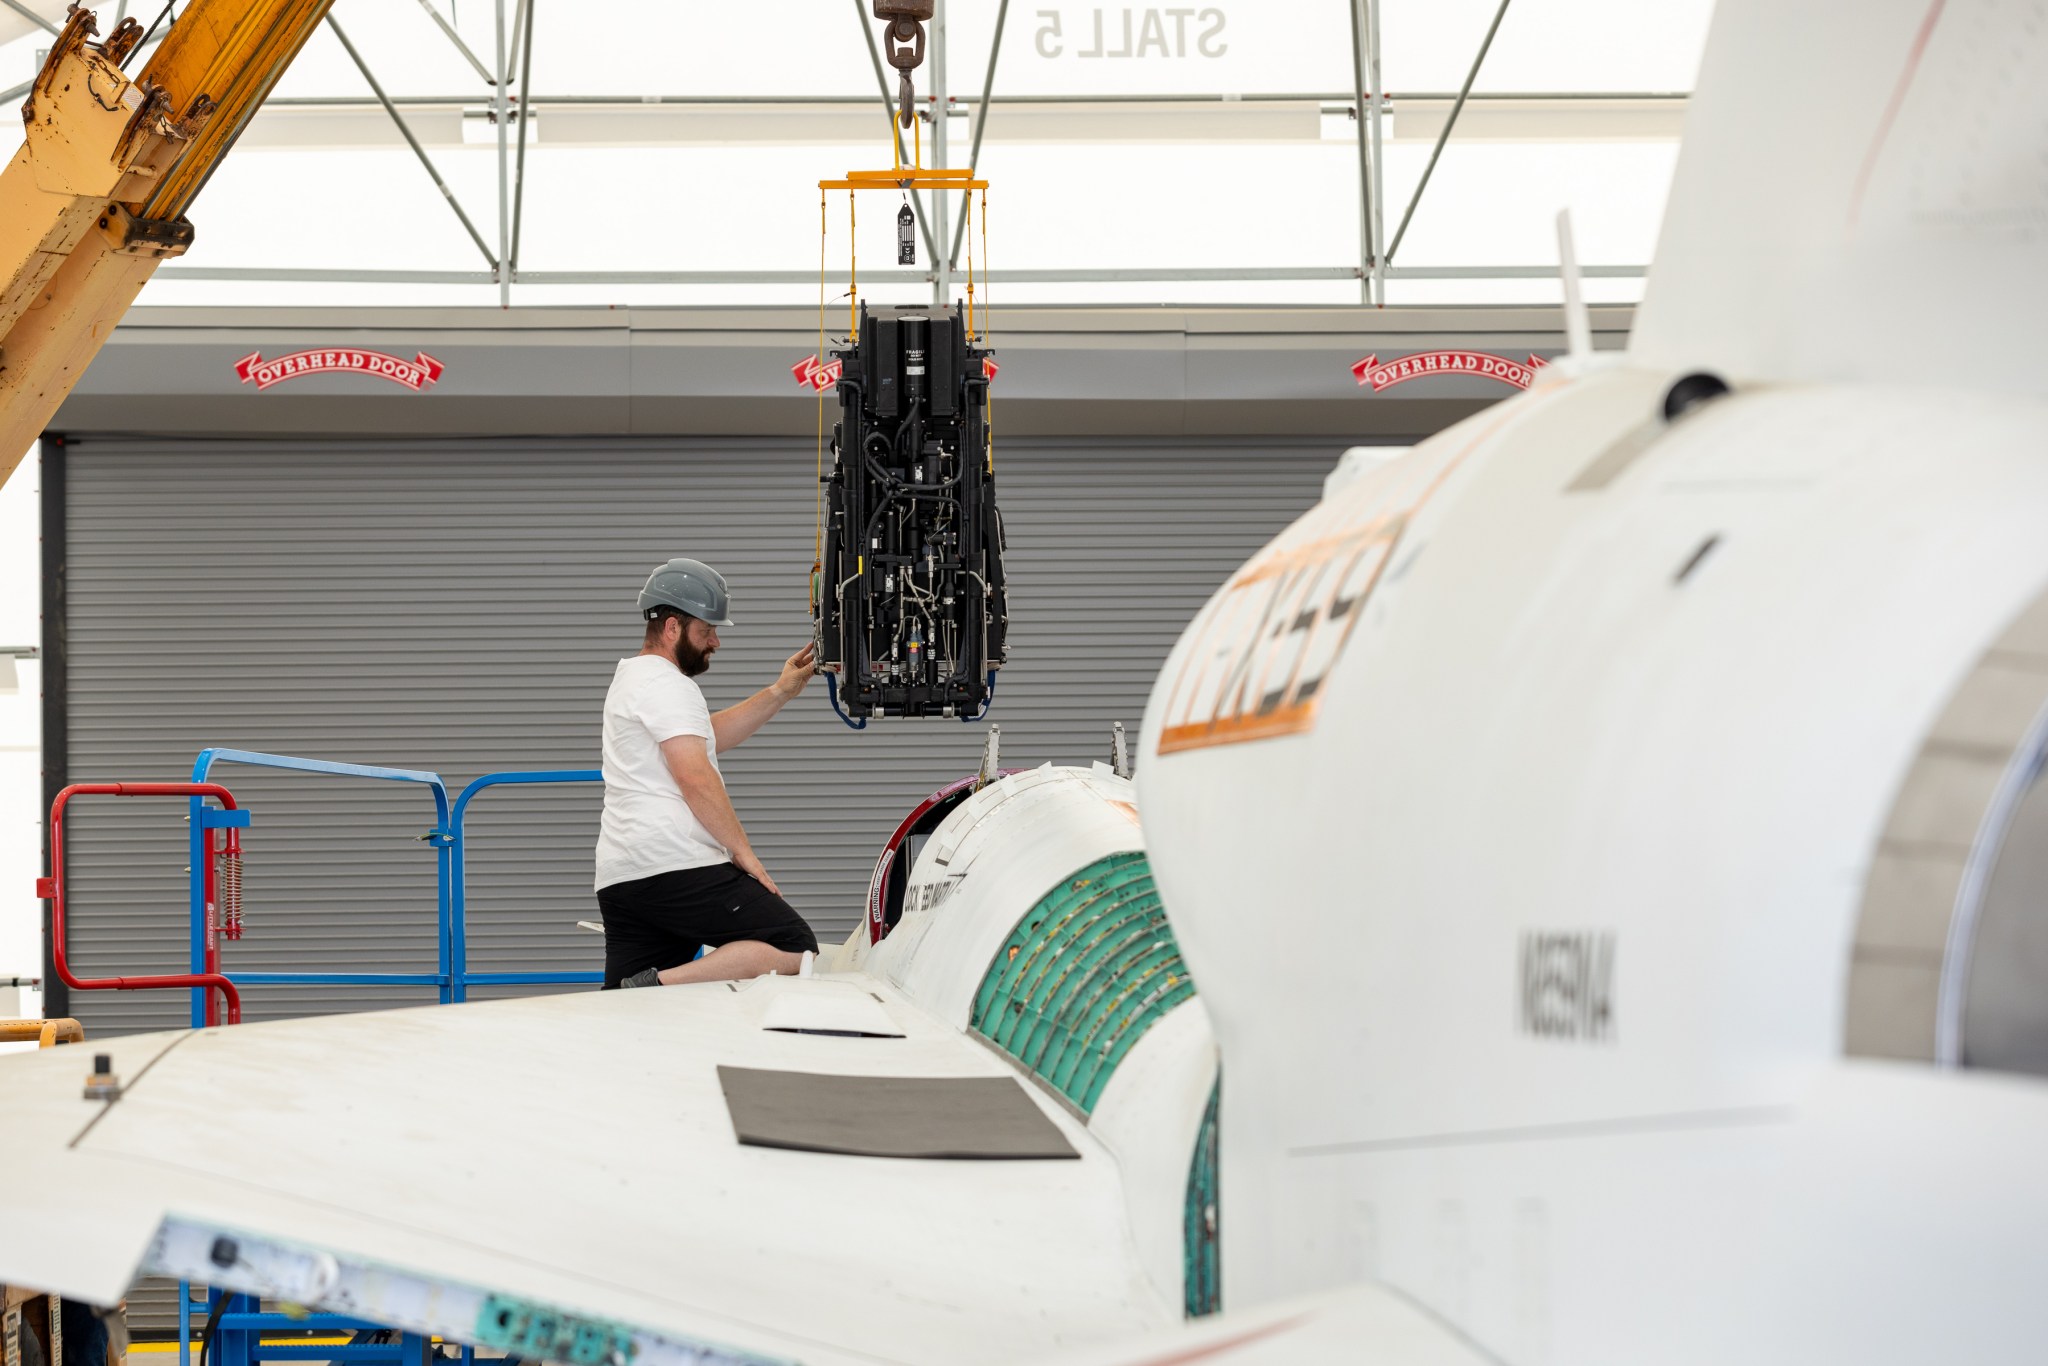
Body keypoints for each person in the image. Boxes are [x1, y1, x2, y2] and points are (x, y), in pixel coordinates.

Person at [595, 557, 820, 989]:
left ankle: (644, 987)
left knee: (625, 1009)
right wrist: (743, 853)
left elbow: (704, 736)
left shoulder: (631, 678)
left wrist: (780, 692)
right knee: (795, 946)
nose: (715, 641)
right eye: (706, 630)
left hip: (623, 875)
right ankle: (657, 984)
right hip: (674, 864)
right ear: (673, 628)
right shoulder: (668, 684)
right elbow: (695, 776)